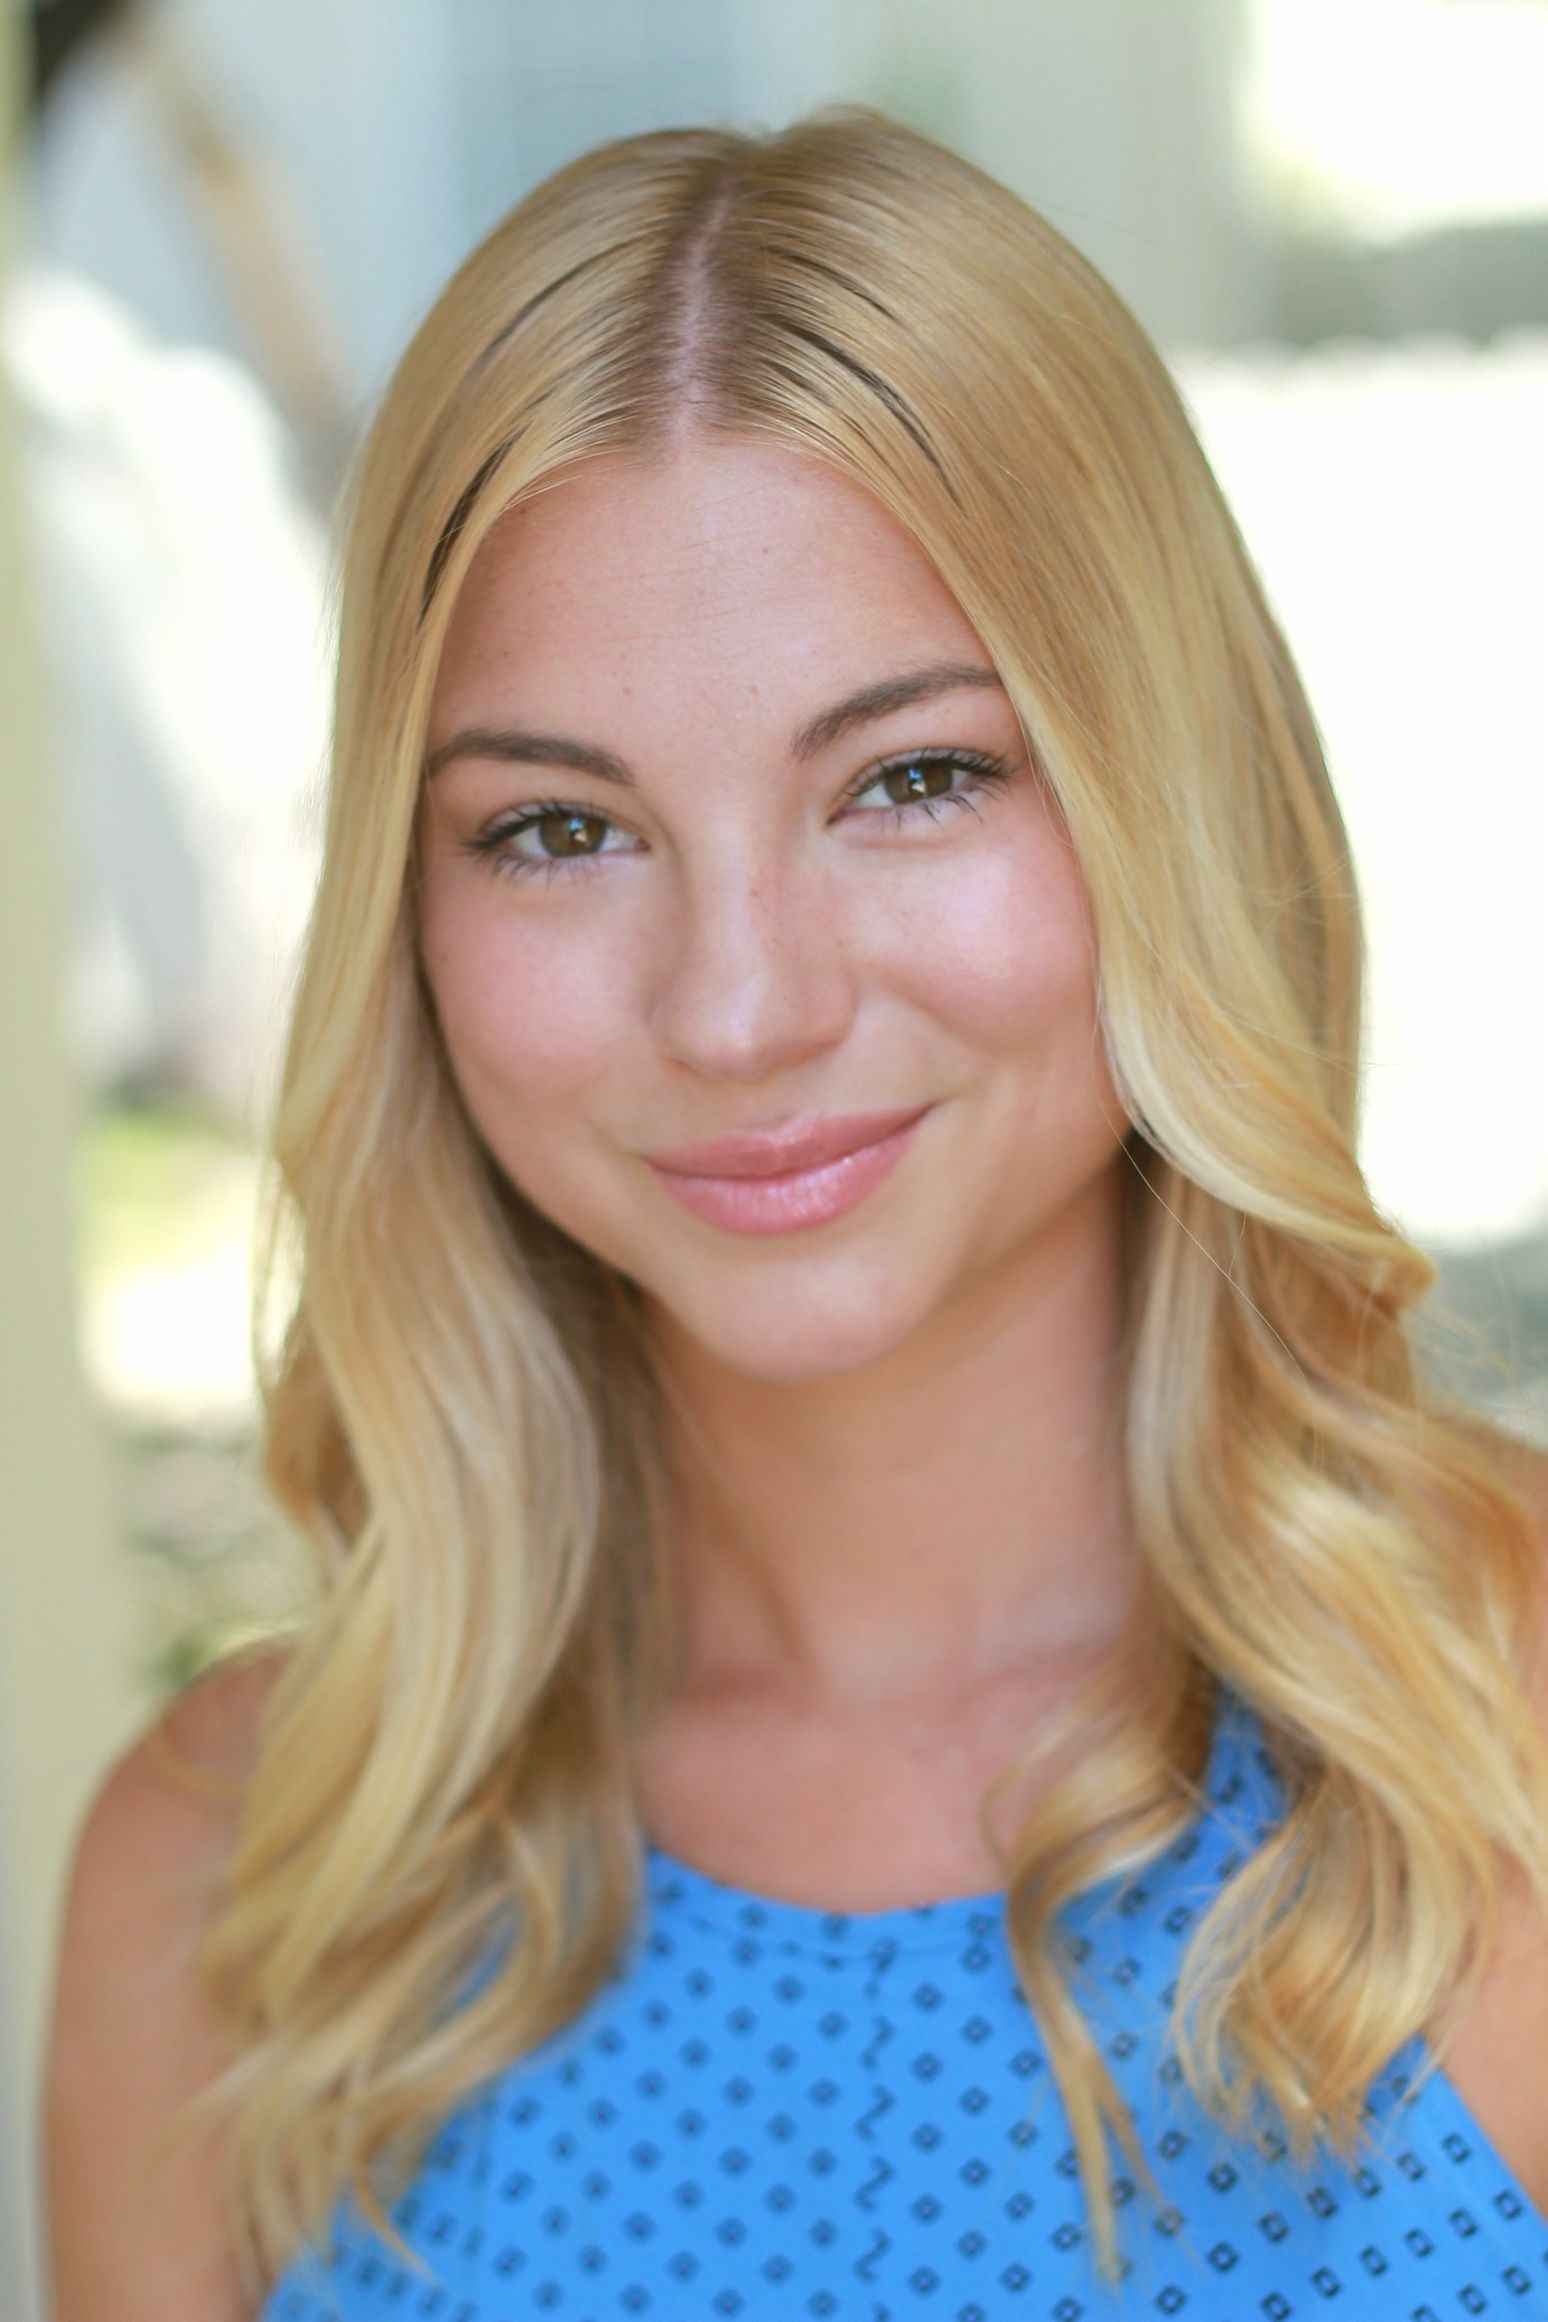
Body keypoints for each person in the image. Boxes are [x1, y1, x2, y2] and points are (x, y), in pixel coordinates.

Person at [44, 103, 1548, 2321]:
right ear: (409, 915)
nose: (740, 1006)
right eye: (560, 829)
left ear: (1171, 797)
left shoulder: (1508, 1750)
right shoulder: (237, 1886)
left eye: (911, 780)